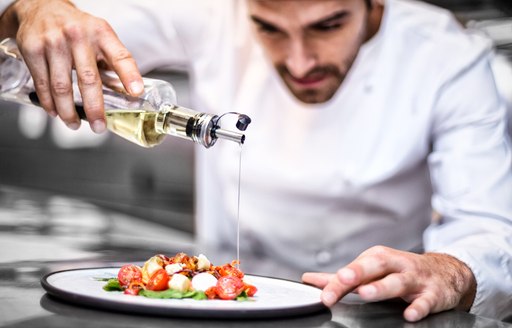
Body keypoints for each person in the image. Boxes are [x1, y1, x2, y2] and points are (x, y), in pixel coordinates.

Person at [1, 0, 511, 322]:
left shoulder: (445, 55)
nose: (299, 61)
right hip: (220, 304)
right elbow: (49, 32)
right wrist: (32, 9)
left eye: (328, 24)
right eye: (269, 27)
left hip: (374, 312)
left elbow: (489, 226)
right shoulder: (213, 11)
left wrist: (449, 270)